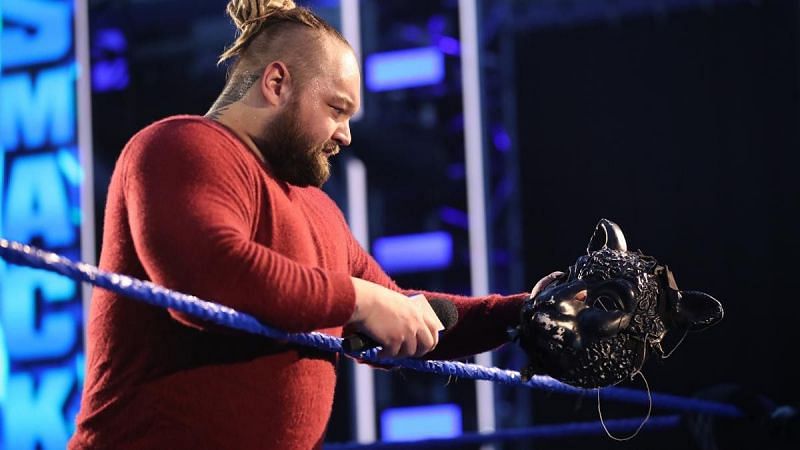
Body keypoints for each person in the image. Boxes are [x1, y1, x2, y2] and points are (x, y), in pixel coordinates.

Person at [69, 1, 565, 448]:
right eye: (336, 109)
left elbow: (407, 316)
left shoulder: (318, 210)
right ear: (277, 83)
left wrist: (520, 314)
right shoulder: (180, 146)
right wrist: (364, 299)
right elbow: (211, 279)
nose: (346, 136)